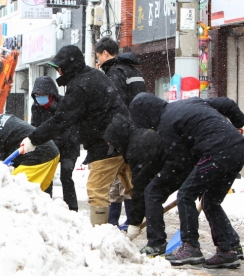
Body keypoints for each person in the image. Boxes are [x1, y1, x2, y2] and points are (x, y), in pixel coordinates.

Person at [20, 45, 132, 226]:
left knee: (97, 189)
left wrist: (33, 139)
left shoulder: (80, 85)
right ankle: (146, 230)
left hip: (106, 142)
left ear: (69, 67)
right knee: (133, 185)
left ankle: (100, 234)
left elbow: (62, 119)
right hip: (124, 137)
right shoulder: (94, 76)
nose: (59, 73)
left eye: (60, 68)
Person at [130, 93, 244, 268]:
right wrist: (239, 123)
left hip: (215, 151)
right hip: (237, 148)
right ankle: (228, 249)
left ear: (146, 116)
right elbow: (227, 103)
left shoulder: (165, 124)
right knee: (211, 201)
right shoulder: (191, 102)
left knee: (185, 196)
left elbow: (181, 159)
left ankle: (191, 247)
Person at [95, 37, 147, 227]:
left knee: (117, 179)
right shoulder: (133, 69)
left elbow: (115, 105)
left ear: (105, 54)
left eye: (98, 57)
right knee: (130, 178)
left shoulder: (115, 72)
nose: (98, 62)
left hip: (122, 133)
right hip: (138, 130)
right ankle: (132, 221)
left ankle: (113, 223)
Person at [103, 114, 167, 244]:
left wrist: (134, 223)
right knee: (152, 194)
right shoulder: (136, 138)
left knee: (152, 195)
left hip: (179, 164)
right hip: (174, 162)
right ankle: (158, 241)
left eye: (115, 146)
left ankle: (157, 243)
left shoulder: (137, 148)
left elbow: (139, 188)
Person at [30, 76, 80, 211]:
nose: (40, 98)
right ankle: (47, 204)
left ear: (51, 93)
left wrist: (51, 141)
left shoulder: (65, 104)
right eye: (37, 95)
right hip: (49, 146)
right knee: (47, 174)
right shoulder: (36, 107)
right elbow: (35, 127)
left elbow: (68, 129)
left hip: (69, 146)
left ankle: (72, 208)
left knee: (66, 176)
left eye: (43, 95)